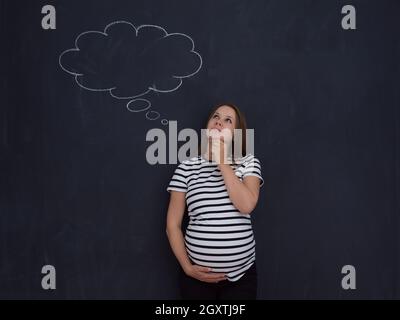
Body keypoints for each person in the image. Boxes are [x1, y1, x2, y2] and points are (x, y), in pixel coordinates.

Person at [166, 103, 264, 300]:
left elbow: (246, 205)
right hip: (196, 278)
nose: (219, 121)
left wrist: (222, 161)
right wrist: (187, 267)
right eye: (216, 117)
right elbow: (172, 225)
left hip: (241, 278)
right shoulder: (186, 167)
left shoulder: (248, 162)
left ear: (237, 133)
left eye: (228, 120)